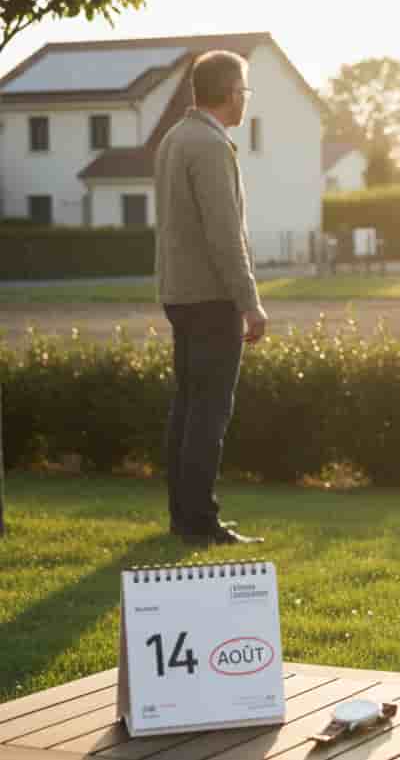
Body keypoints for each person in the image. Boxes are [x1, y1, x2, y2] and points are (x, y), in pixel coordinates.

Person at [155, 50, 268, 545]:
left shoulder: (174, 139)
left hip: (179, 294)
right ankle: (200, 521)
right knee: (209, 412)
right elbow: (225, 234)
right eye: (244, 90)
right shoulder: (210, 145)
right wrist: (250, 301)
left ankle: (184, 515)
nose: (246, 100)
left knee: (187, 406)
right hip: (211, 297)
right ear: (228, 93)